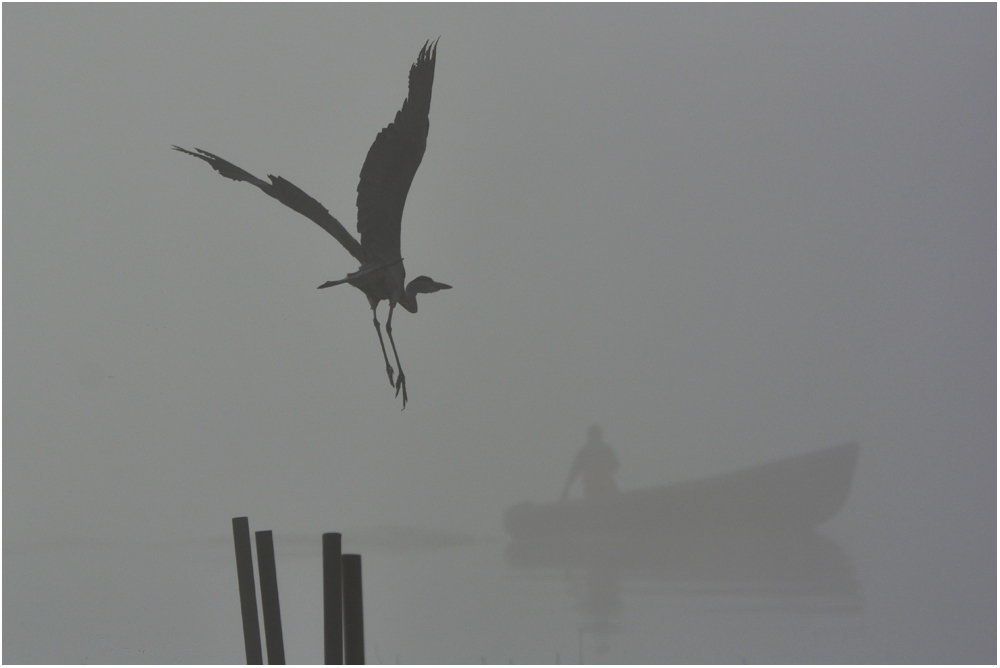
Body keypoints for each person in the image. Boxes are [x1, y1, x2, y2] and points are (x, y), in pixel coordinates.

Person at [560, 425, 620, 502]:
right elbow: (574, 471)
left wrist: (604, 472)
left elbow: (616, 464)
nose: (596, 437)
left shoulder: (605, 449)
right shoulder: (585, 452)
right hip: (593, 486)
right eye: (594, 434)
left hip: (605, 484)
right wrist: (566, 488)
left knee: (611, 504)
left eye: (597, 434)